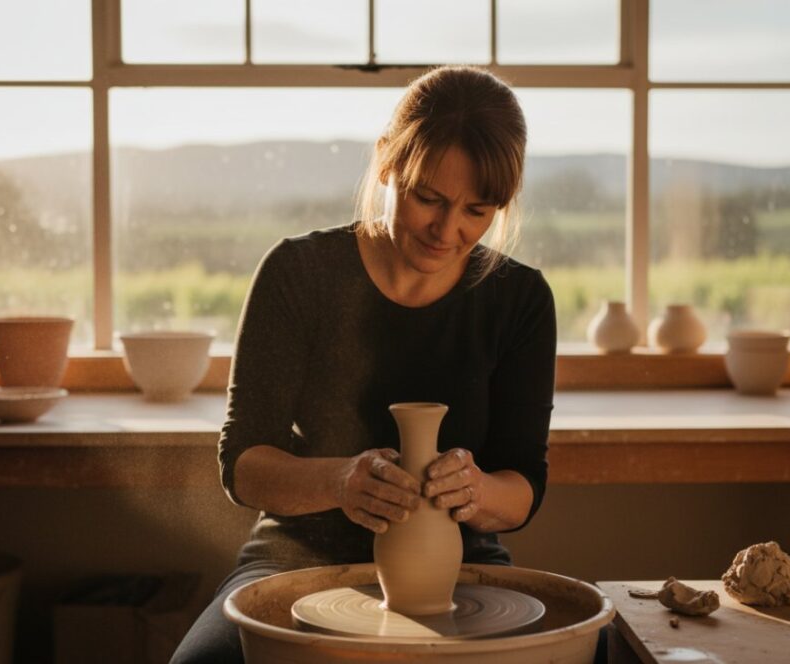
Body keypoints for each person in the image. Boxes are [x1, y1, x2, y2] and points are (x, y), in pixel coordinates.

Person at [171, 65, 557, 664]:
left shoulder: (519, 299)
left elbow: (524, 488)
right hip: (298, 553)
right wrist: (339, 482)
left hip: (463, 564)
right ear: (387, 162)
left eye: (477, 211)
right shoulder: (298, 273)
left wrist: (475, 490)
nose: (447, 230)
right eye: (429, 197)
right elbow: (242, 464)